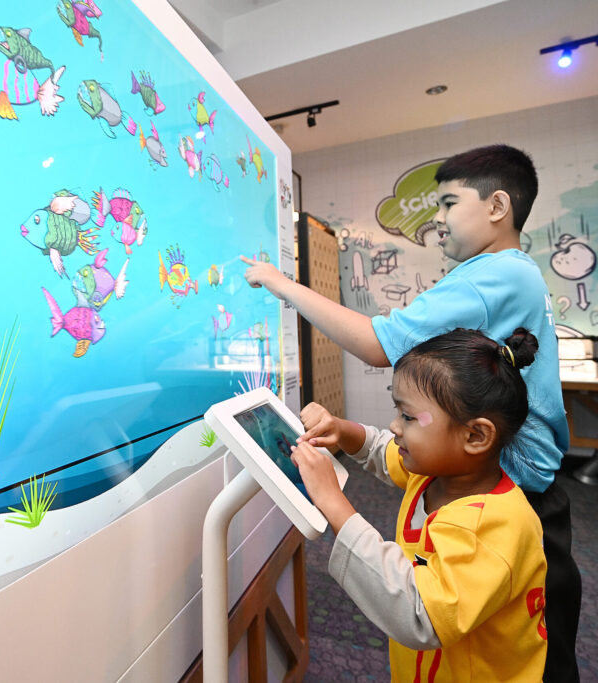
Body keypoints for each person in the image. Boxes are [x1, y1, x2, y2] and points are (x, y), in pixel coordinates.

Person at [241, 144, 580, 681]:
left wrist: (283, 285)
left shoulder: (494, 274)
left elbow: (380, 344)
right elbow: (394, 456)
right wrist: (348, 432)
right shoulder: (447, 470)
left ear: (497, 206)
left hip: (522, 498)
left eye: (449, 203)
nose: (437, 219)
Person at [291, 328, 547, 682]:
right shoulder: (432, 472)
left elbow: (421, 613)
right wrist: (342, 429)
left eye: (409, 417)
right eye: (397, 410)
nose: (394, 426)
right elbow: (381, 449)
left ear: (475, 436)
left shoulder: (496, 526)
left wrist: (333, 502)